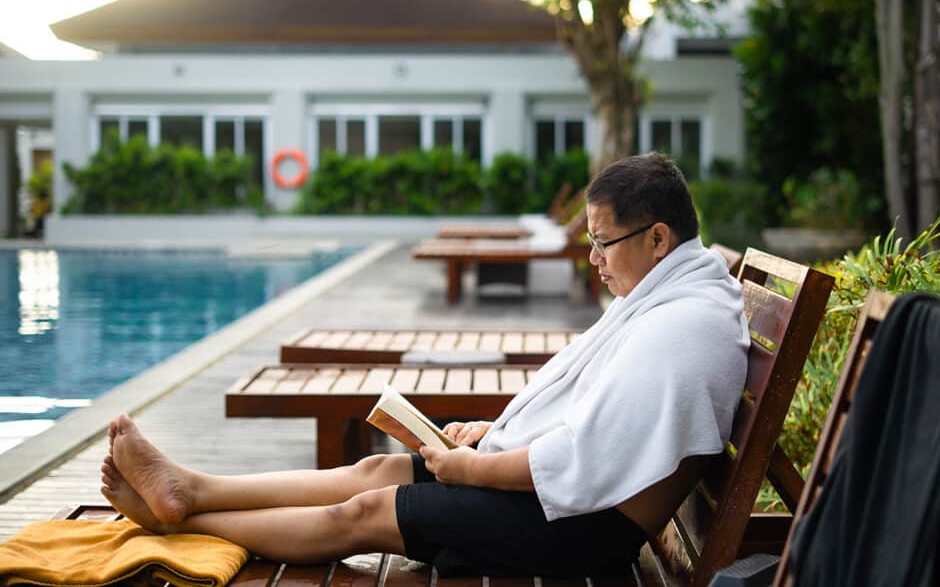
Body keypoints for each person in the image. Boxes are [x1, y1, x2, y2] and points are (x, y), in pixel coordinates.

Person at [101, 153, 750, 577]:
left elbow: (591, 454)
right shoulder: (674, 297)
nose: (594, 259)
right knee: (376, 468)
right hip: (574, 500)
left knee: (364, 512)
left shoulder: (682, 326)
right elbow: (602, 423)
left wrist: (478, 467)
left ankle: (180, 521)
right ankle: (192, 489)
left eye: (603, 242)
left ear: (657, 238)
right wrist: (493, 436)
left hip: (581, 530)